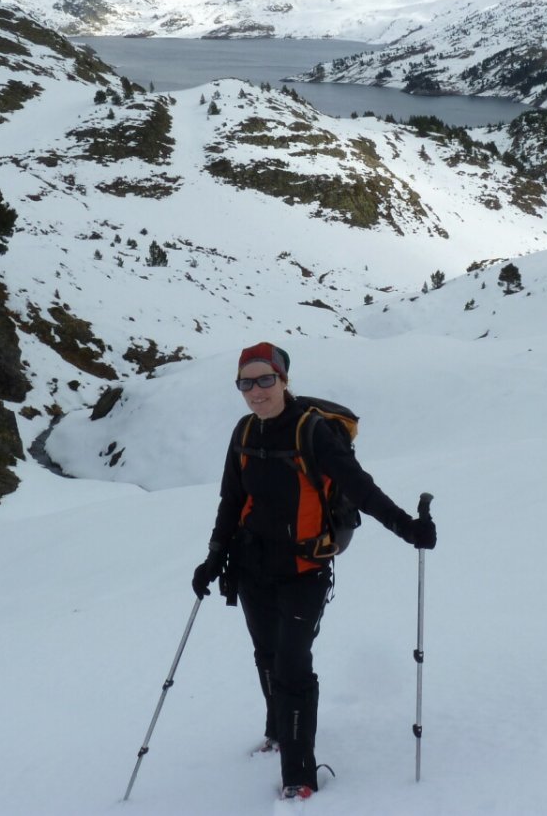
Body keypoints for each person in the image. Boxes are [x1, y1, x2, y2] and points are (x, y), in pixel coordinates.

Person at [192, 342, 437, 801]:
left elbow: (360, 489)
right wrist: (214, 556)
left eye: (266, 379)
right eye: (246, 382)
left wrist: (408, 528)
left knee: (291, 665)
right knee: (266, 654)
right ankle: (277, 730)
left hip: (305, 569)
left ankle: (299, 776)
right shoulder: (244, 431)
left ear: (284, 380)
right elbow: (231, 500)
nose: (256, 390)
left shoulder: (312, 432)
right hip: (251, 567)